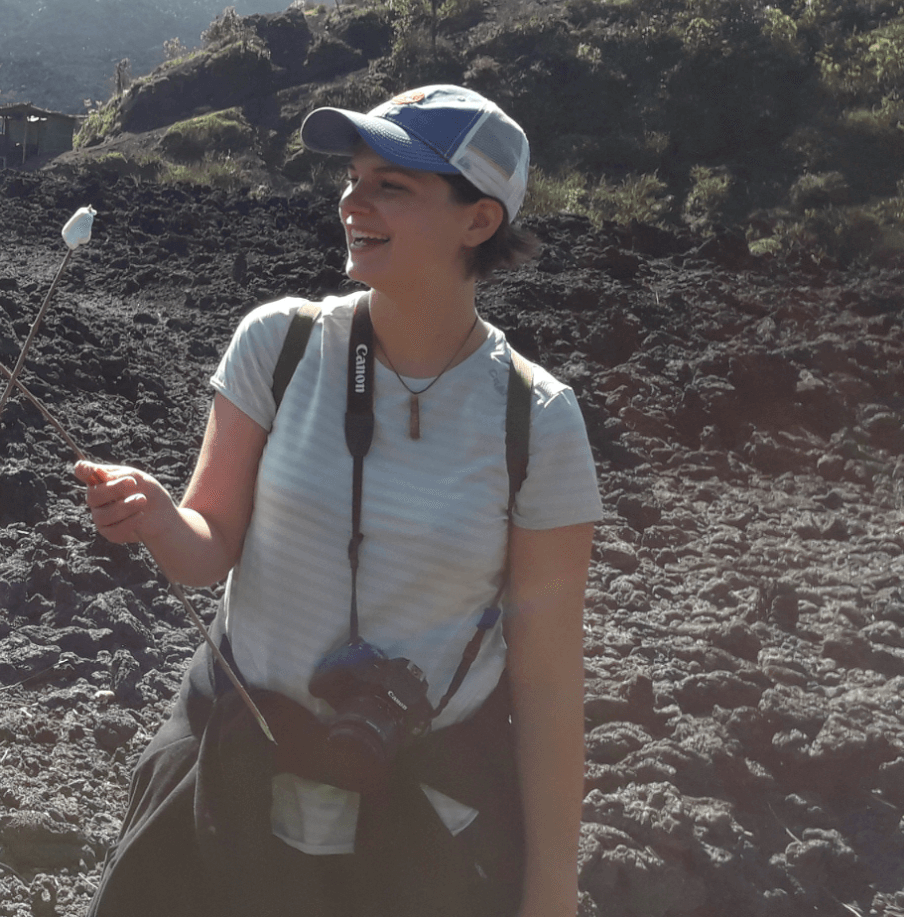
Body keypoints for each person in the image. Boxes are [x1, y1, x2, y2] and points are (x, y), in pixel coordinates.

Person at [75, 85, 601, 917]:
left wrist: (549, 892)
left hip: (416, 826)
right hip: (230, 791)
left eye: (393, 185)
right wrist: (155, 515)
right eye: (353, 178)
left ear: (479, 221)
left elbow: (546, 685)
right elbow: (209, 545)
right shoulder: (280, 344)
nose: (353, 201)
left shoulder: (536, 421)